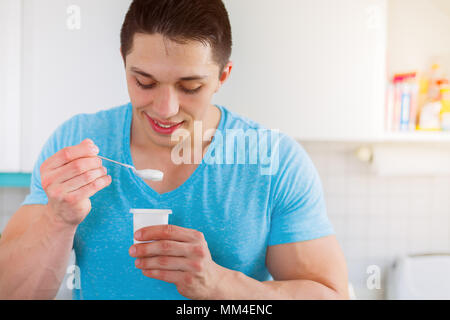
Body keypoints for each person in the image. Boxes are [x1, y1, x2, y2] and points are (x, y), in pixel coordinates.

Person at [0, 0, 348, 300]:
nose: (165, 108)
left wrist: (220, 283)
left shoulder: (274, 161)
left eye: (190, 87)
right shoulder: (77, 142)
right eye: (144, 82)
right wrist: (57, 220)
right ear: (124, 61)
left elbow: (332, 295)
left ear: (222, 76)